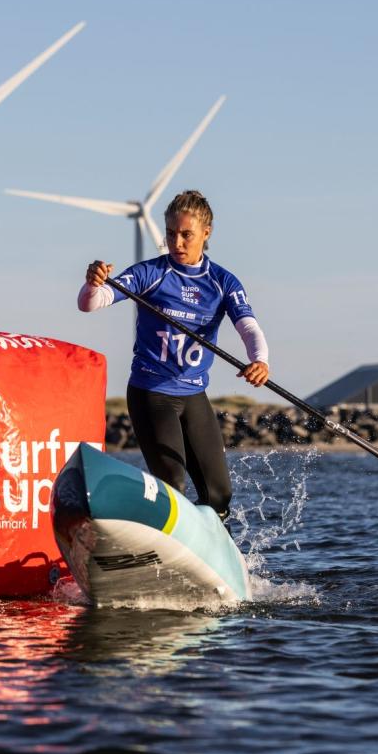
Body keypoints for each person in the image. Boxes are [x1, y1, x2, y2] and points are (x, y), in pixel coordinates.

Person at [78, 190, 269, 524]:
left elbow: (249, 327)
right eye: (170, 234)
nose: (176, 242)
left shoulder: (222, 282)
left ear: (206, 233)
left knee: (219, 494)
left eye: (186, 235)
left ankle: (209, 552)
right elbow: (91, 303)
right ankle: (157, 544)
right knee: (172, 485)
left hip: (193, 395)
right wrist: (93, 283)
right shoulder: (151, 273)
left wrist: (259, 359)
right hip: (152, 394)